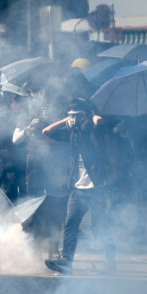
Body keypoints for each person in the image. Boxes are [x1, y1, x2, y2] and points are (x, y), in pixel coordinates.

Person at [42, 97, 117, 275]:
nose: (75, 119)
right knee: (70, 224)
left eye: (78, 115)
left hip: (97, 186)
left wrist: (89, 116)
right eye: (72, 115)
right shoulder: (73, 132)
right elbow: (46, 132)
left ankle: (111, 262)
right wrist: (66, 120)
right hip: (78, 188)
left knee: (101, 228)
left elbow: (100, 121)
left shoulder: (96, 129)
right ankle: (67, 261)